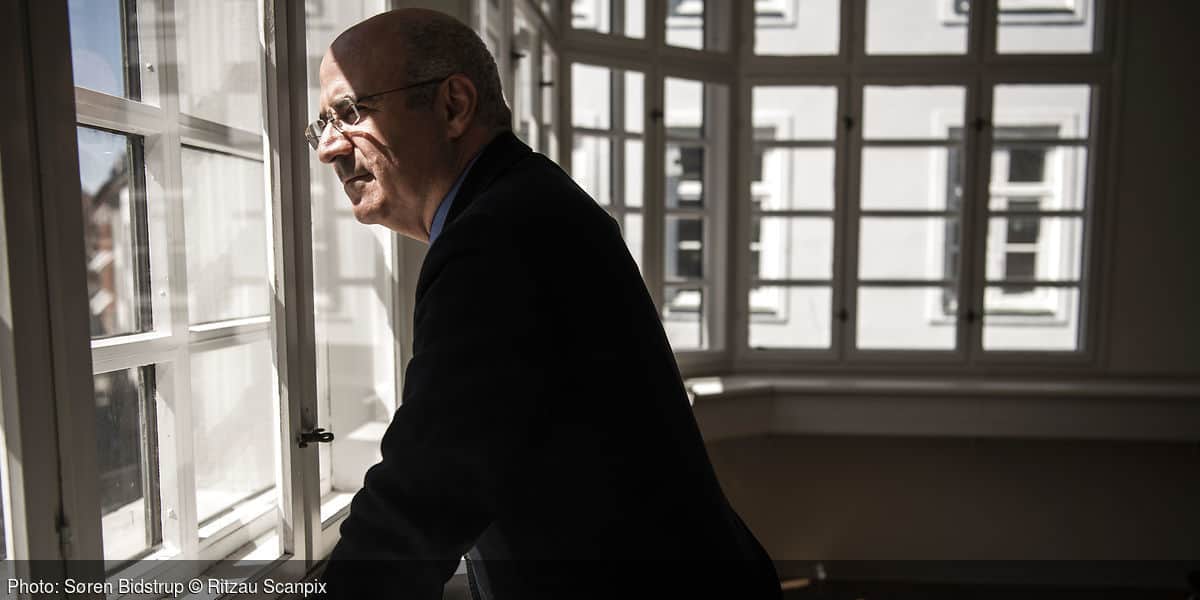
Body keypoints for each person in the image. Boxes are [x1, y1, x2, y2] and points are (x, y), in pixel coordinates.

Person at [308, 8, 780, 599]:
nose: (328, 148)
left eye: (350, 113)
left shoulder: (496, 237)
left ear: (453, 106)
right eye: (321, 124)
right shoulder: (524, 201)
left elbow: (425, 490)